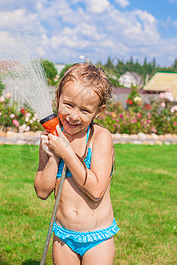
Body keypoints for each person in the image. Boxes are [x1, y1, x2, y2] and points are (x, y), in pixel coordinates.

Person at [34, 62, 119, 265]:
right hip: (63, 237)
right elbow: (42, 191)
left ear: (98, 111)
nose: (74, 116)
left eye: (85, 110)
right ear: (57, 97)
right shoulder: (52, 138)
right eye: (68, 105)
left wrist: (67, 153)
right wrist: (53, 157)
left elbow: (97, 190)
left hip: (97, 238)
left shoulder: (100, 137)